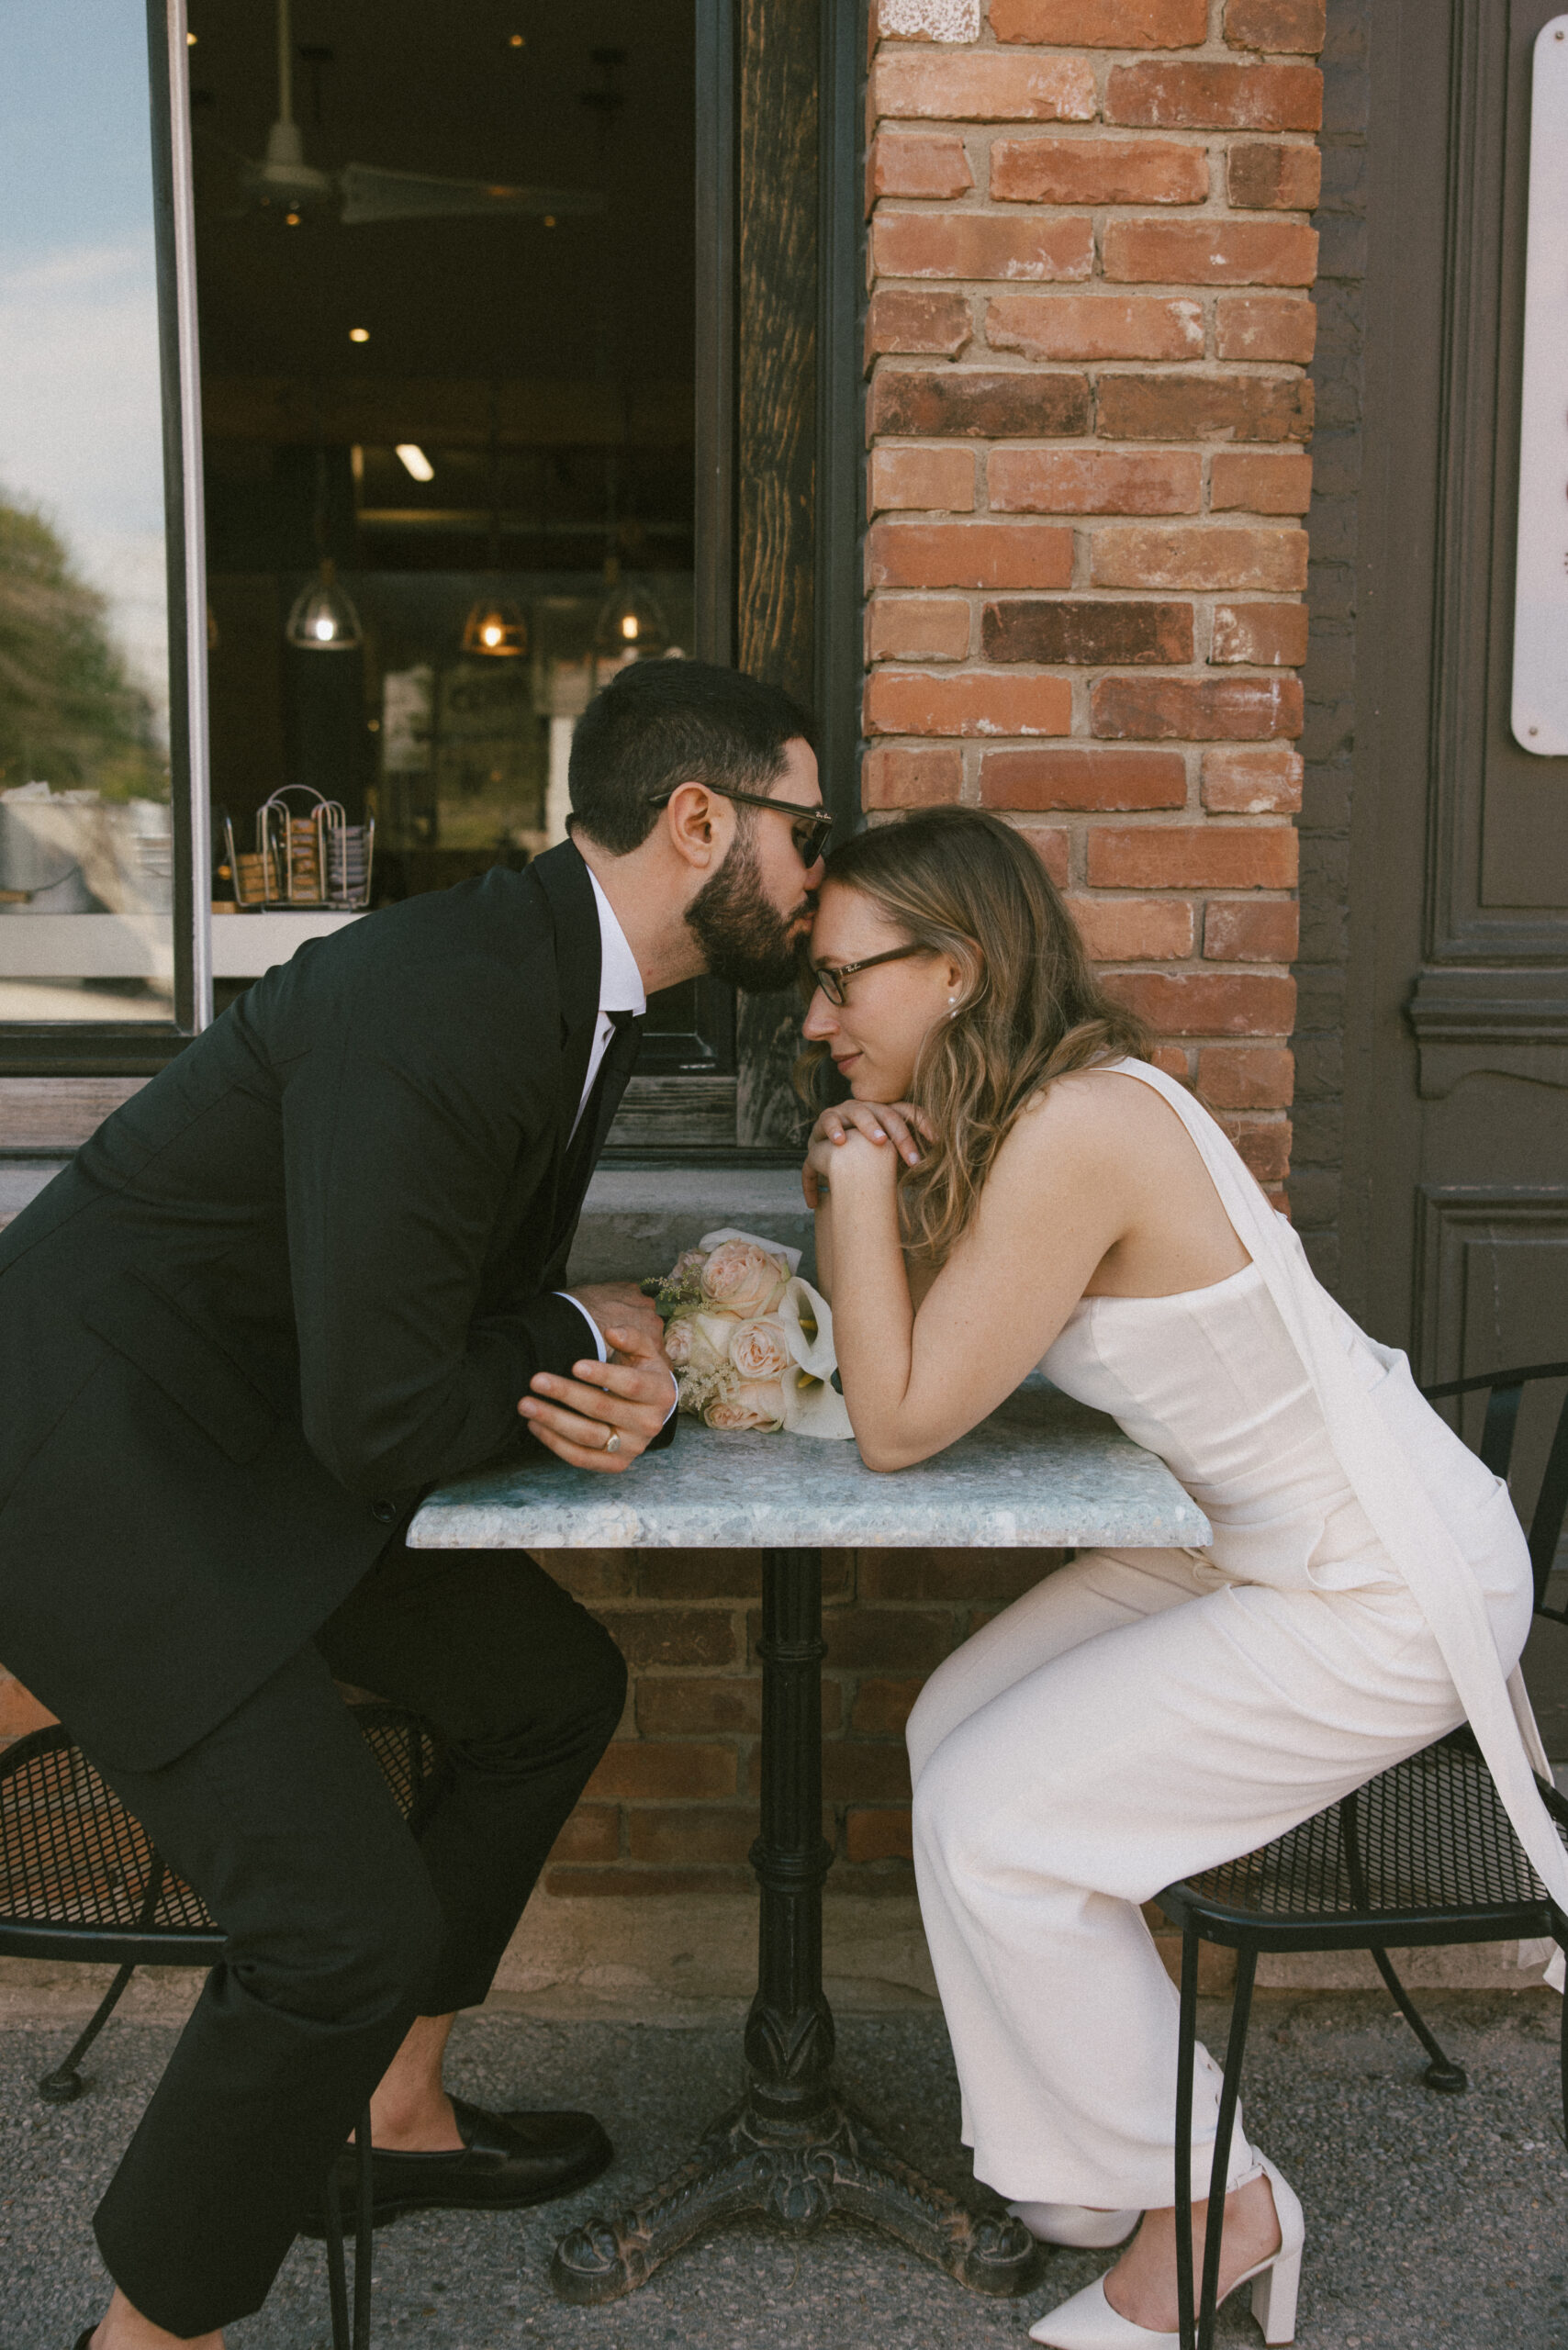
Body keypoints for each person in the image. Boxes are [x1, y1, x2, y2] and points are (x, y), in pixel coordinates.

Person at [0, 657, 827, 2350]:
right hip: (93, 1465)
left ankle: (395, 2114)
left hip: (262, 1444)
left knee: (548, 1693)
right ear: (699, 823)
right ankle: (146, 2339)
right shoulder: (452, 996)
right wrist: (582, 1334)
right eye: (807, 832)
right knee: (334, 1928)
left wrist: (582, 1353)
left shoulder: (557, 976)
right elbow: (388, 1415)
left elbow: (405, 1340)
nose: (818, 874)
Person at [796, 807, 1562, 2349]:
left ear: (953, 969)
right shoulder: (1026, 1118)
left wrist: (860, 1193)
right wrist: (866, 1180)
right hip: (1242, 1535)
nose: (816, 1020)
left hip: (1377, 1578)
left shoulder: (1083, 1126)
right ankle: (1092, 2162)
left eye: (839, 980)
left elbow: (896, 1420)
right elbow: (911, 1363)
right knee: (953, 1735)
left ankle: (1218, 2212)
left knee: (996, 1824)